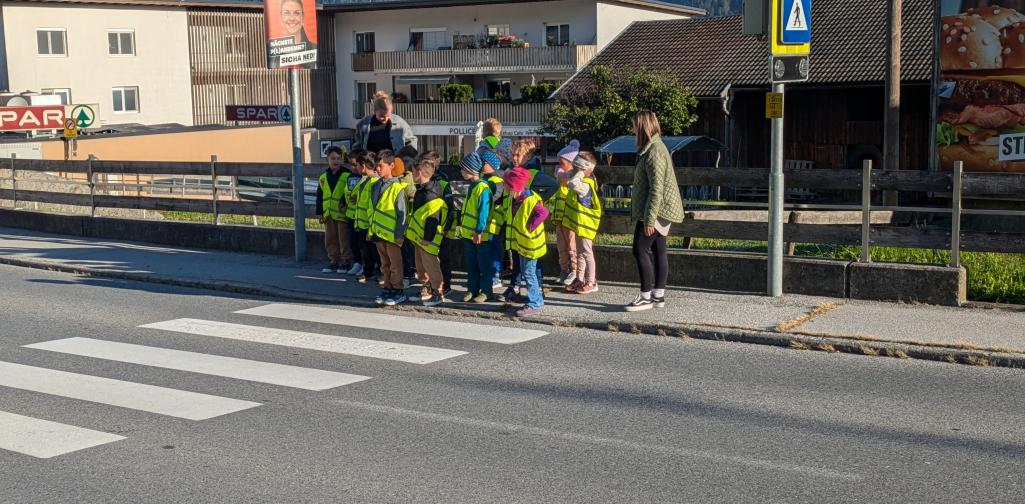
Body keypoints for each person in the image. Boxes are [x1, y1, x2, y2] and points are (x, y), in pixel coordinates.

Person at [626, 110, 684, 312]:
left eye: (635, 126)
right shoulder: (653, 148)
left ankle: (646, 297)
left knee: (639, 249)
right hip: (660, 208)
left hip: (656, 210)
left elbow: (656, 189)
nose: (633, 130)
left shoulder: (654, 152)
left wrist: (649, 220)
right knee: (659, 250)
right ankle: (658, 295)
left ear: (642, 127)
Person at [502, 167, 549, 317]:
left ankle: (534, 303)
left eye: (507, 185)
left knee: (529, 273)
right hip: (523, 244)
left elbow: (544, 212)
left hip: (530, 245)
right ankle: (537, 300)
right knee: (527, 272)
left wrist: (530, 226)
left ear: (514, 186)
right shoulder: (518, 198)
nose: (505, 187)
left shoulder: (529, 199)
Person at [405, 153, 448, 307]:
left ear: (420, 173)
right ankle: (427, 288)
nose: (411, 175)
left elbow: (432, 219)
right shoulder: (422, 191)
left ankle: (438, 293)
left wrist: (427, 238)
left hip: (427, 239)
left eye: (413, 172)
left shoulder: (430, 194)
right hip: (420, 237)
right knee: (422, 266)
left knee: (432, 266)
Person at [503, 139, 543, 302]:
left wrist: (531, 222)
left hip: (527, 231)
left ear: (528, 155)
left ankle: (537, 292)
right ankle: (515, 286)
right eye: (513, 155)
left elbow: (551, 187)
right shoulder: (513, 171)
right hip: (515, 226)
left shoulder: (533, 172)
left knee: (532, 265)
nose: (514, 158)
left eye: (518, 155)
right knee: (517, 258)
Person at [369, 150, 409, 306]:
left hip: (392, 235)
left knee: (395, 264)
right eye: (376, 166)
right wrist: (371, 229)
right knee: (384, 264)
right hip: (379, 232)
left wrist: (399, 234)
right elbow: (373, 209)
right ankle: (387, 287)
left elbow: (402, 214)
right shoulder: (375, 185)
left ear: (391, 165)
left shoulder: (397, 188)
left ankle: (397, 290)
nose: (377, 169)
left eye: (381, 166)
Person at [458, 151, 495, 303]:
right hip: (468, 234)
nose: (461, 171)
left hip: (479, 235)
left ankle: (486, 291)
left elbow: (483, 212)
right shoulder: (473, 186)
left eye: (463, 169)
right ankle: (472, 289)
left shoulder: (482, 188)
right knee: (471, 264)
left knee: (483, 264)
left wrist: (479, 230)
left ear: (471, 170)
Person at [564, 151, 602, 294]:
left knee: (587, 253)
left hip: (587, 226)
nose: (574, 170)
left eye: (577, 167)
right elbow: (565, 177)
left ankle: (591, 282)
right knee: (580, 252)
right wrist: (576, 171)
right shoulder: (581, 179)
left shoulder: (586, 184)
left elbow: (573, 184)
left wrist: (580, 172)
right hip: (580, 225)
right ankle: (579, 279)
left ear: (585, 169)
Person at [315, 146, 353, 274]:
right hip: (328, 213)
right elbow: (319, 196)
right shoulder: (323, 177)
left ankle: (345, 260)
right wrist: (320, 212)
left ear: (342, 159)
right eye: (333, 158)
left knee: (344, 238)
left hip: (342, 213)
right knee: (330, 238)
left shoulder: (347, 175)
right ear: (327, 159)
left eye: (338, 158)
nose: (336, 161)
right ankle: (334, 260)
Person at [350, 150, 381, 284]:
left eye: (357, 165)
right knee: (366, 250)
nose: (355, 168)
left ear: (363, 166)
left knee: (375, 251)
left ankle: (381, 273)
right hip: (362, 223)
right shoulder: (364, 180)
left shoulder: (375, 182)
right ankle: (368, 272)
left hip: (370, 224)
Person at [553, 140, 580, 287]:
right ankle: (564, 270)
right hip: (559, 218)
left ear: (571, 164)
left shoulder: (571, 179)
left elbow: (563, 179)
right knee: (561, 247)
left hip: (569, 219)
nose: (558, 166)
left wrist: (566, 175)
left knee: (572, 246)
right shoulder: (561, 177)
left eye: (561, 163)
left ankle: (574, 270)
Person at [342, 149, 367, 276]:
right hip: (351, 215)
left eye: (355, 165)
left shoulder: (366, 178)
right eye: (350, 165)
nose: (353, 168)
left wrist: (358, 198)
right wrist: (343, 201)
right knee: (353, 241)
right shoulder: (350, 177)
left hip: (362, 217)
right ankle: (357, 263)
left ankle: (366, 265)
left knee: (363, 242)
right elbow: (346, 191)